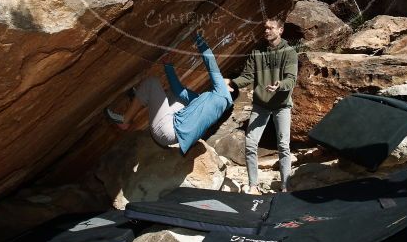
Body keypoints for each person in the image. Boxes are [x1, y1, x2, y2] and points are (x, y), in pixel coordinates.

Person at [105, 33, 233, 155]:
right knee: (177, 96)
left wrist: (198, 39)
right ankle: (143, 97)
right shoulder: (208, 102)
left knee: (152, 82)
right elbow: (179, 90)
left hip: (167, 129)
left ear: (230, 90)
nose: (222, 80)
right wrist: (168, 66)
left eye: (225, 81)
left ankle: (124, 121)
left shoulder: (223, 94)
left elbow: (211, 63)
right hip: (169, 136)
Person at [227, 18, 298, 194]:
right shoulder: (257, 52)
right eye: (265, 28)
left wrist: (279, 85)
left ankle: (285, 185)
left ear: (280, 30)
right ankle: (253, 185)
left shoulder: (289, 52)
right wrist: (232, 82)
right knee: (250, 144)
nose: (266, 31)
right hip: (261, 105)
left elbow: (291, 79)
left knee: (283, 145)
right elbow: (248, 76)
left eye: (270, 28)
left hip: (282, 105)